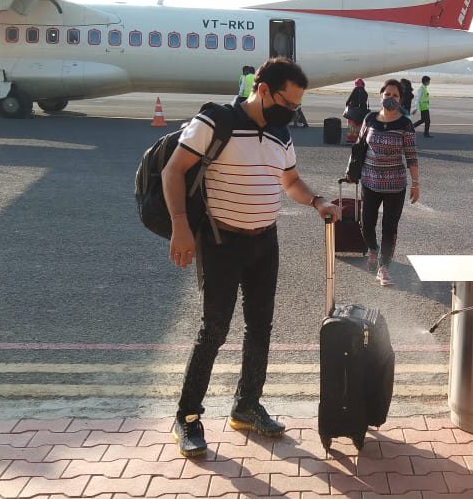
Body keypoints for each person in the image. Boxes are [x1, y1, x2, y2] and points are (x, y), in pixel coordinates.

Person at [162, 57, 341, 458]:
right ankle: (188, 416)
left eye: (297, 105)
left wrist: (316, 201)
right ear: (263, 90)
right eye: (288, 102)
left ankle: (247, 405)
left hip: (265, 242)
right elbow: (173, 171)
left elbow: (290, 180)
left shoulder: (281, 133)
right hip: (221, 241)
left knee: (260, 327)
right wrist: (180, 226)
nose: (292, 111)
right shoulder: (215, 121)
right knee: (214, 330)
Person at [353, 79, 419, 286]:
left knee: (389, 227)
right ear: (381, 96)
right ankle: (373, 249)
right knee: (367, 223)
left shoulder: (404, 123)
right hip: (370, 181)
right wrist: (352, 171)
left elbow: (411, 155)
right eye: (387, 94)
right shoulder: (370, 118)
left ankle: (384, 267)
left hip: (395, 185)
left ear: (401, 99)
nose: (391, 98)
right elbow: (359, 145)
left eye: (395, 96)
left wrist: (416, 183)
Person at [344, 78, 369, 143]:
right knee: (360, 125)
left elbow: (348, 100)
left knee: (352, 125)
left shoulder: (355, 90)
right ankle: (360, 138)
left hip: (353, 111)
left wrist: (347, 105)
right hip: (363, 111)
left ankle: (351, 139)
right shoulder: (364, 92)